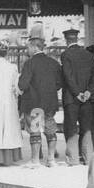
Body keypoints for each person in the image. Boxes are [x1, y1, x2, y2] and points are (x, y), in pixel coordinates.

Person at [18, 35, 62, 168]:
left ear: (34, 47)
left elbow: (22, 85)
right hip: (50, 103)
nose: (27, 50)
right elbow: (59, 83)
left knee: (35, 130)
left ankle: (35, 160)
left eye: (28, 47)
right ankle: (51, 160)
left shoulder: (30, 63)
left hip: (35, 103)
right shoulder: (54, 63)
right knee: (50, 129)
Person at [59, 28, 94, 166]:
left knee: (70, 128)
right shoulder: (87, 54)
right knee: (86, 128)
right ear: (77, 39)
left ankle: (73, 159)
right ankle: (88, 158)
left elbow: (68, 76)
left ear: (66, 40)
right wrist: (88, 91)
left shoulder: (65, 55)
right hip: (87, 99)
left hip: (72, 99)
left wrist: (77, 93)